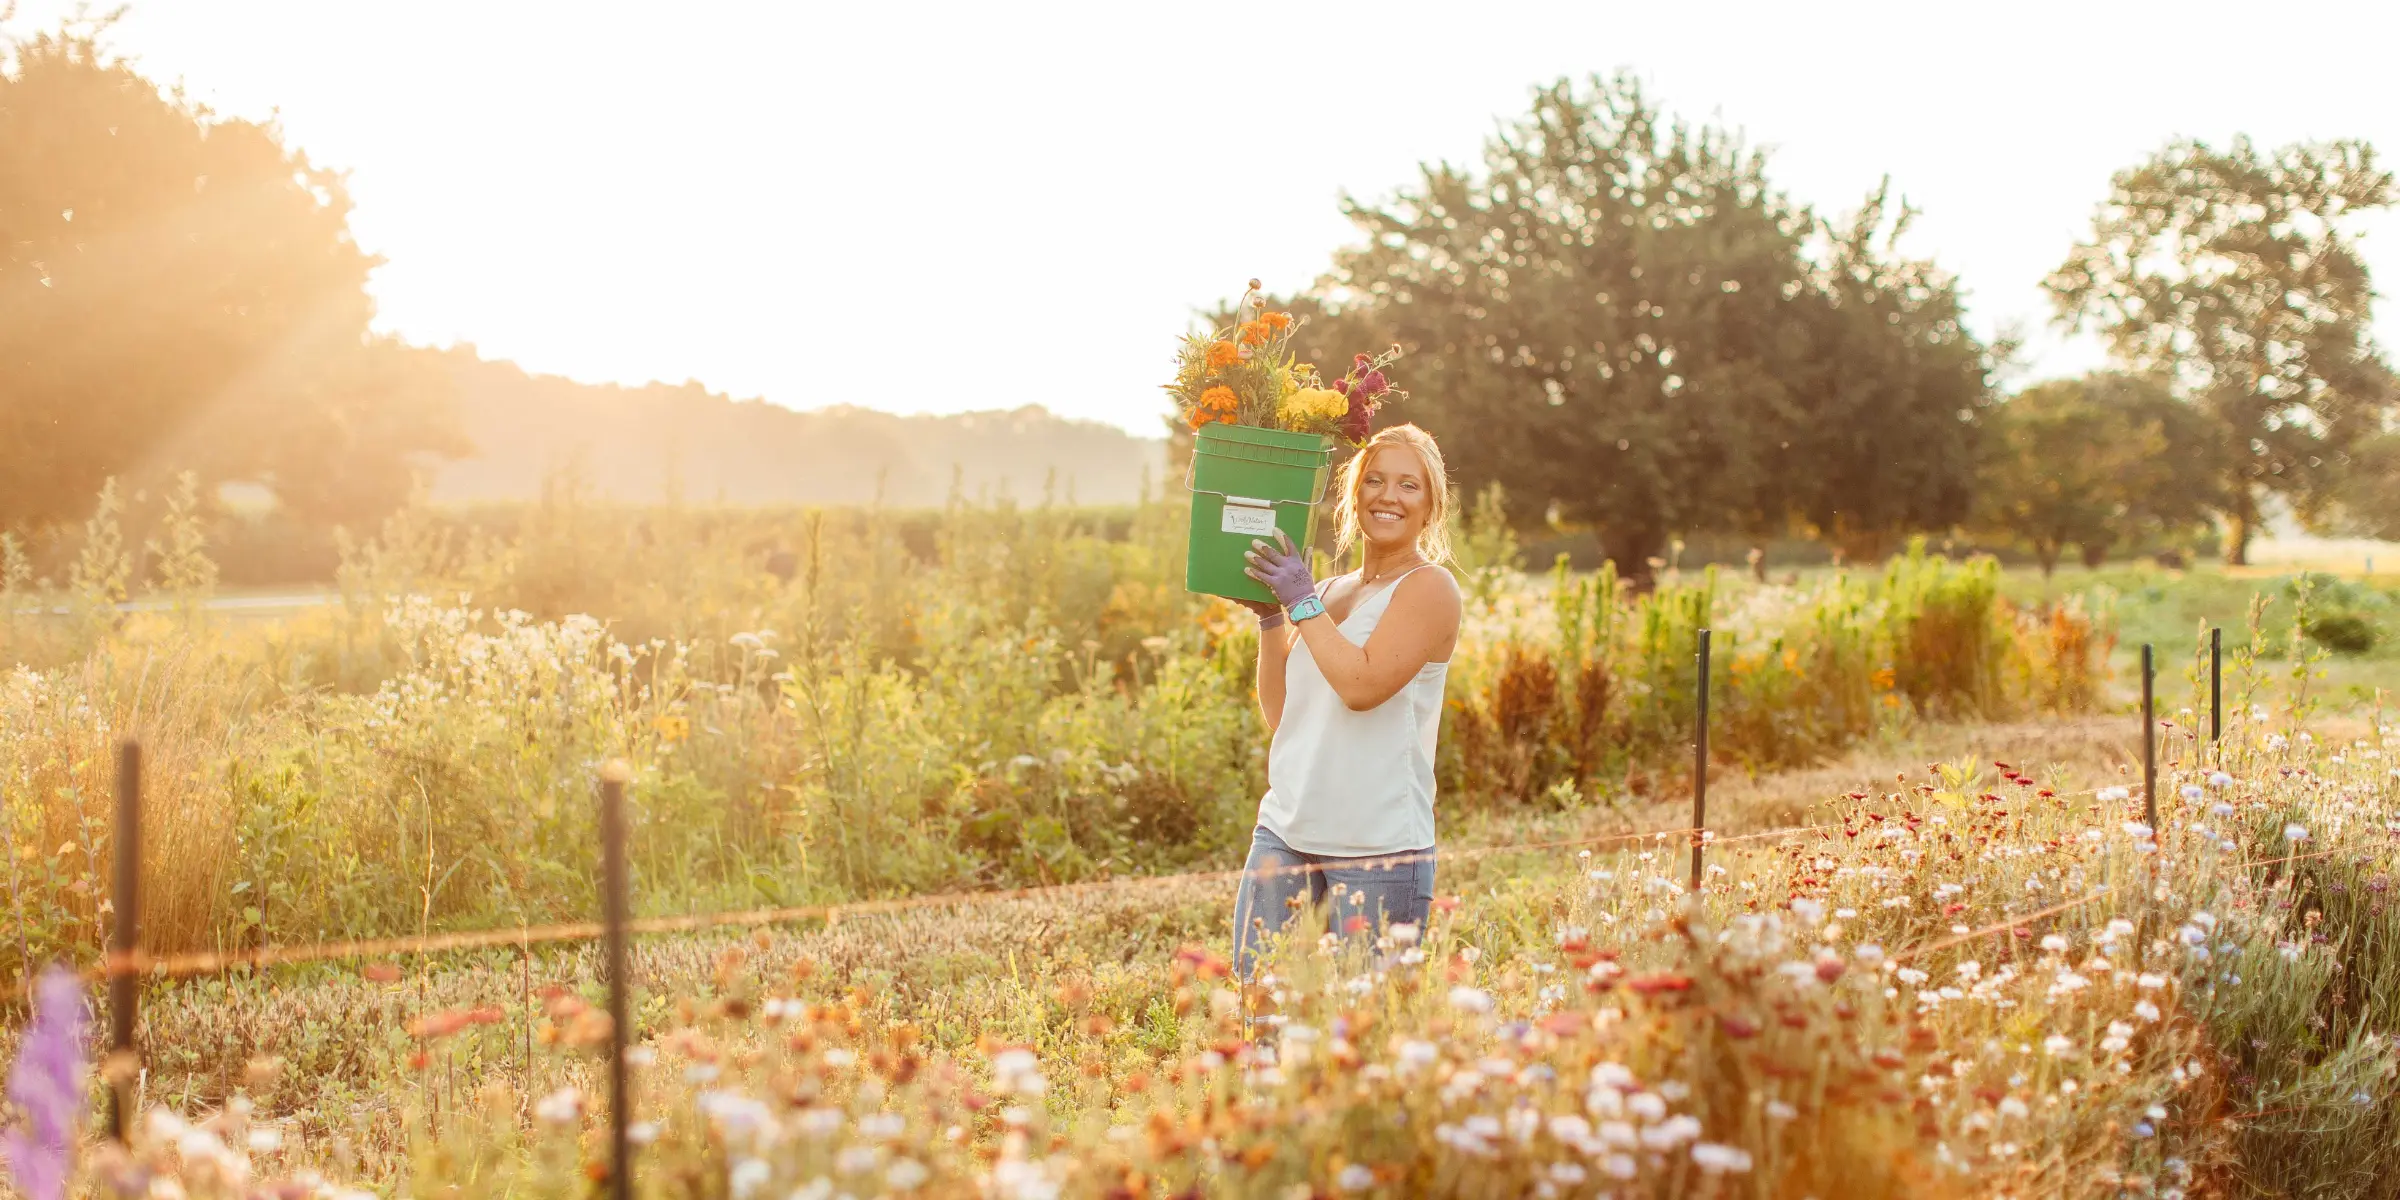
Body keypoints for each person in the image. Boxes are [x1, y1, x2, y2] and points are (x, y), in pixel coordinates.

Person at [1230, 423, 1462, 978]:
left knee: (1358, 1038)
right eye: (1375, 480)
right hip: (1286, 832)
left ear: (1430, 507)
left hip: (1376, 849)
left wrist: (1301, 603)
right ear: (1353, 496)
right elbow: (1282, 715)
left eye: (1409, 486)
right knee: (1260, 1013)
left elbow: (1361, 687)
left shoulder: (1430, 589)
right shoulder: (1330, 589)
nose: (1388, 495)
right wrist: (1269, 618)